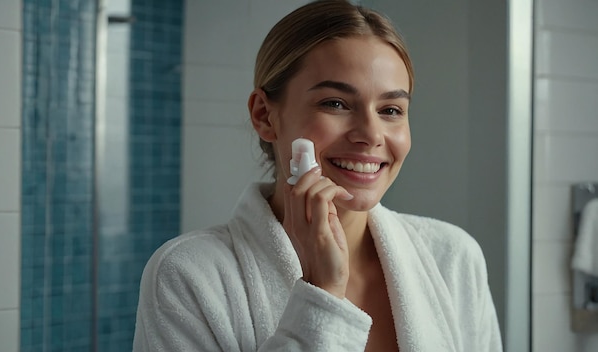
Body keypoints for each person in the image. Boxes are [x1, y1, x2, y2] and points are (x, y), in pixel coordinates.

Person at [132, 1, 503, 351]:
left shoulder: (452, 257)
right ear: (264, 115)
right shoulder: (188, 275)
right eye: (336, 104)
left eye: (391, 109)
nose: (372, 135)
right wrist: (321, 294)